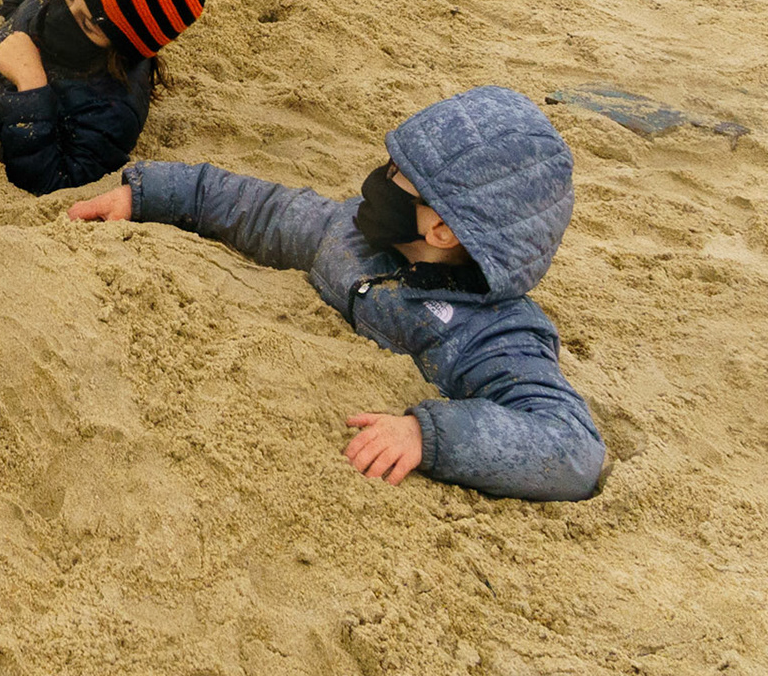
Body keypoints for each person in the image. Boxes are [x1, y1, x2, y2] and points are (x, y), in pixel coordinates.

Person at [69, 86, 607, 500]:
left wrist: (431, 435)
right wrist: (149, 196)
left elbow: (573, 448)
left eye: (398, 176)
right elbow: (262, 209)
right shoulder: (353, 234)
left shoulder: (494, 335)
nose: (377, 180)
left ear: (441, 231)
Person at [0, 0, 207, 195]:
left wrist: (31, 88)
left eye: (88, 24)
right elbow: (13, 5)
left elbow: (52, 184)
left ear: (122, 48)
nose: (63, 14)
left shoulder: (111, 111)